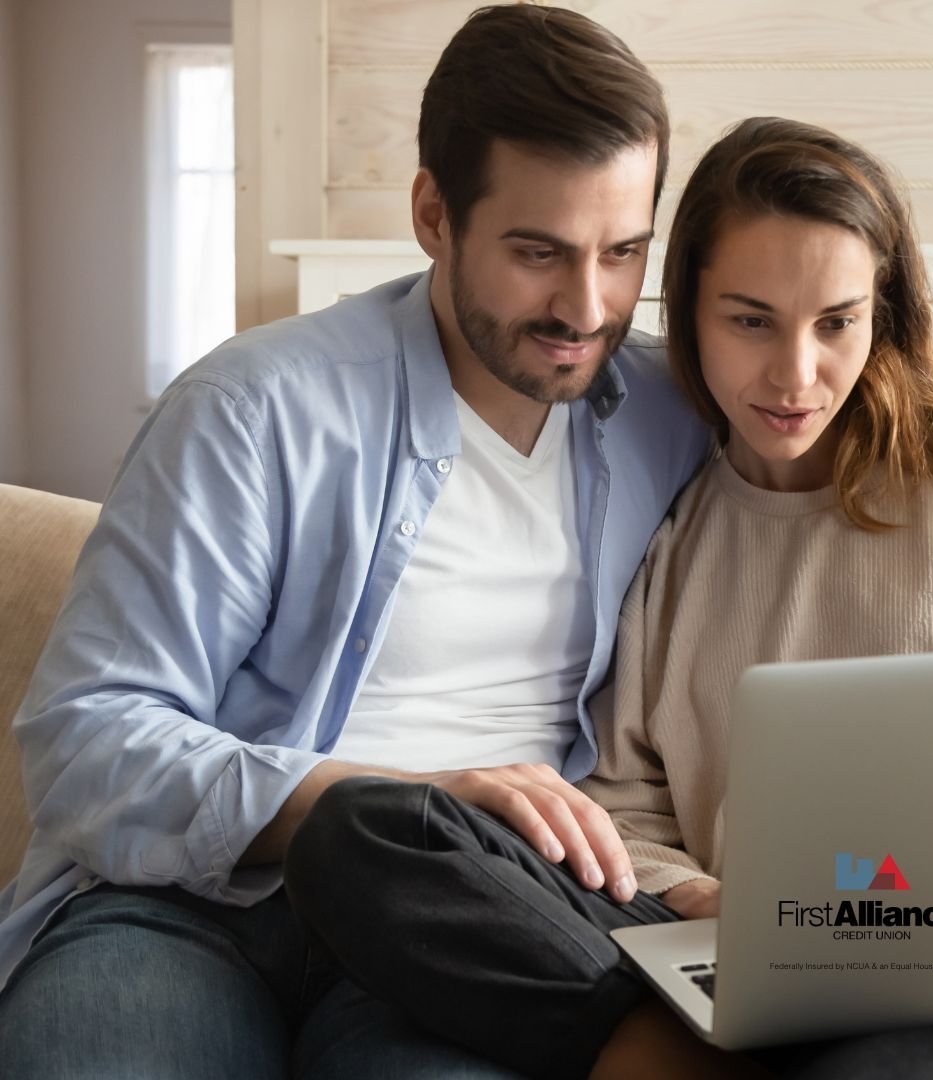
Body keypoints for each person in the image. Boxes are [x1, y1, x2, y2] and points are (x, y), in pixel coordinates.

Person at [282, 117, 933, 1079]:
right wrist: (706, 902)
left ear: (884, 313)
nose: (795, 374)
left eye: (836, 322)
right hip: (729, 950)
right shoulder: (669, 529)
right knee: (362, 830)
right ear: (688, 312)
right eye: (750, 320)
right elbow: (625, 806)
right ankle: (677, 1044)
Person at [0, 7, 710, 1076]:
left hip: (477, 929)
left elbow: (855, 431)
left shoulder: (670, 406)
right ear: (433, 213)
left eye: (623, 253)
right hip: (193, 909)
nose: (587, 305)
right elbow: (86, 740)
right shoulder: (256, 407)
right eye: (537, 252)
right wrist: (380, 802)